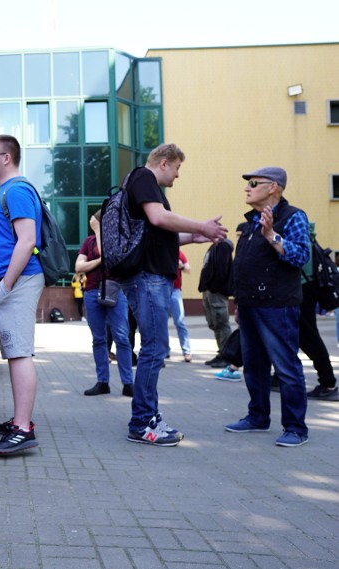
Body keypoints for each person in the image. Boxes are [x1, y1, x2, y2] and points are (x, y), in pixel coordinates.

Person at [118, 143, 228, 447]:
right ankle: (141, 423)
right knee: (154, 349)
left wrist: (194, 235)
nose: (178, 175)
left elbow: (161, 233)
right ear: (164, 163)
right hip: (148, 277)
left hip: (151, 277)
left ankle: (149, 417)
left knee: (155, 348)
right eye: (178, 168)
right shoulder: (144, 178)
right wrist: (200, 225)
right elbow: (158, 219)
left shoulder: (147, 185)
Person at [225, 166, 311, 447]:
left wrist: (272, 234)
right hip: (250, 304)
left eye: (253, 183)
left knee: (286, 367)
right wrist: (238, 301)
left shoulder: (293, 216)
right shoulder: (251, 222)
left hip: (277, 306)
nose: (247, 188)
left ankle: (296, 428)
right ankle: (258, 417)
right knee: (253, 366)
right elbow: (245, 266)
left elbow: (300, 256)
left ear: (273, 187)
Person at [0, 134, 45, 455]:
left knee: (19, 352)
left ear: (7, 158)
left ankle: (23, 429)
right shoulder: (7, 191)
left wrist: (4, 286)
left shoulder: (17, 190)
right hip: (15, 282)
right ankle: (20, 420)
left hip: (19, 282)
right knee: (14, 352)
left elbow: (27, 240)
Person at [76, 210, 134, 397]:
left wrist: (99, 231)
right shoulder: (88, 242)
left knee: (121, 337)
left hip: (115, 291)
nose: (91, 221)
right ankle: (103, 382)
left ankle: (128, 383)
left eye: (95, 220)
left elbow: (106, 254)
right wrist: (100, 261)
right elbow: (78, 267)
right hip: (92, 291)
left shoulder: (117, 240)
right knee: (99, 339)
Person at [300, 224, 339, 401]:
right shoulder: (310, 239)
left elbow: (302, 272)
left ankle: (328, 383)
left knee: (310, 338)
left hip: (303, 292)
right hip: (305, 291)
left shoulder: (304, 241)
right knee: (298, 337)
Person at [198, 238, 235, 369]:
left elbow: (222, 270)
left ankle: (227, 356)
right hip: (209, 290)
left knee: (221, 323)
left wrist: (214, 287)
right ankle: (222, 353)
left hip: (216, 292)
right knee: (214, 324)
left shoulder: (223, 247)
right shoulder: (214, 247)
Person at [167, 249, 192, 362]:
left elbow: (188, 269)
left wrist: (181, 266)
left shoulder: (179, 253)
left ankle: (186, 351)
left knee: (180, 321)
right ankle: (164, 351)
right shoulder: (160, 250)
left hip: (175, 290)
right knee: (161, 323)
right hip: (161, 290)